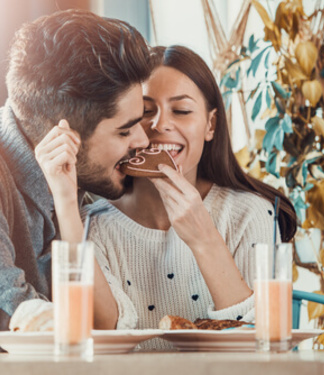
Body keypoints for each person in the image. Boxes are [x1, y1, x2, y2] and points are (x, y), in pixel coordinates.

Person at [38, 45, 296, 348]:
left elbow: (263, 346)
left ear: (210, 125)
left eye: (182, 111)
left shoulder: (251, 213)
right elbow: (101, 336)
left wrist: (204, 238)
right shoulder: (90, 226)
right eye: (145, 112)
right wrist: (66, 201)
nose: (160, 124)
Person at [0, 9, 151, 330]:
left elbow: (107, 323)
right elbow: (21, 316)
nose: (144, 139)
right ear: (62, 135)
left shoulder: (76, 184)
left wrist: (67, 203)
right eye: (125, 131)